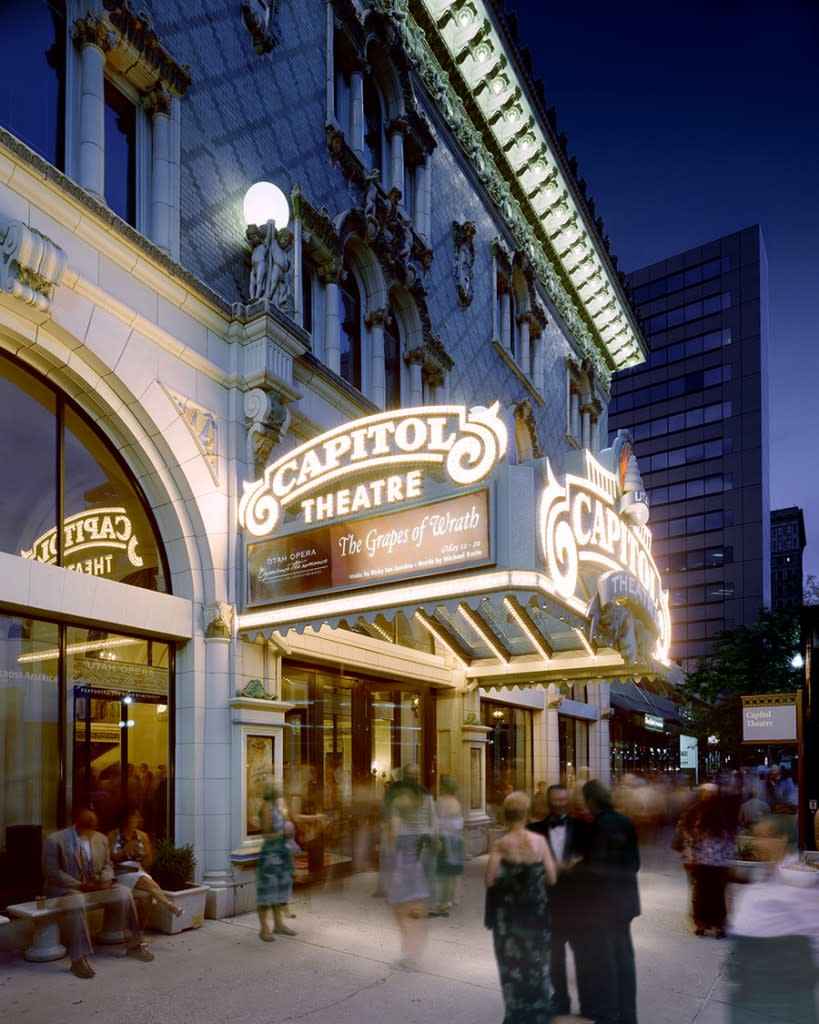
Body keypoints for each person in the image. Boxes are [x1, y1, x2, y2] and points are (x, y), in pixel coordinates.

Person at [43, 808, 155, 979]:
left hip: (94, 886)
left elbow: (108, 865)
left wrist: (106, 880)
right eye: (87, 827)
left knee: (124, 893)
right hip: (67, 888)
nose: (91, 831)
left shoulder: (100, 839)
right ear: (77, 824)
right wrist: (80, 885)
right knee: (76, 901)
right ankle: (78, 960)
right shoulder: (55, 840)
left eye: (93, 827)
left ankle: (134, 946)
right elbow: (53, 872)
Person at [485, 791, 557, 1024]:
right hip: (536, 913)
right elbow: (552, 877)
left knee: (511, 967)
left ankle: (516, 1014)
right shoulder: (539, 842)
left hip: (509, 917)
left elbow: (489, 879)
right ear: (527, 814)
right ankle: (538, 1012)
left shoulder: (500, 844)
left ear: (506, 815)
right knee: (537, 962)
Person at [578, 779, 641, 1024]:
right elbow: (635, 864)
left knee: (606, 961)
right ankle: (628, 1016)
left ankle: (608, 1015)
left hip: (605, 905)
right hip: (625, 901)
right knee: (624, 959)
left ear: (591, 801)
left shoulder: (599, 826)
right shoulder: (626, 822)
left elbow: (597, 868)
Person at [528, 783, 592, 1019]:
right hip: (549, 904)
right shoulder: (534, 831)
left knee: (583, 954)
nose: (560, 805)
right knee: (554, 957)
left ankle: (588, 1002)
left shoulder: (584, 829)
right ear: (548, 802)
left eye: (564, 800)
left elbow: (591, 865)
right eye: (556, 801)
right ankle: (561, 1000)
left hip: (577, 905)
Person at [385, 764, 436, 970]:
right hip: (424, 851)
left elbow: (394, 830)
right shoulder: (427, 798)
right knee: (417, 906)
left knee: (401, 907)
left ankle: (410, 954)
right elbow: (434, 824)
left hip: (406, 854)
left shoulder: (399, 799)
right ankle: (414, 952)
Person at [673, 782, 734, 937]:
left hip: (701, 861)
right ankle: (718, 923)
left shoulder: (694, 811)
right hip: (718, 862)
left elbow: (688, 836)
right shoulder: (723, 812)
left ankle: (701, 922)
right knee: (717, 893)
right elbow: (730, 838)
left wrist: (689, 857)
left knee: (700, 892)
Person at [108, 808, 184, 920]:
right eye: (132, 817)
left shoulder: (142, 836)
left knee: (146, 895)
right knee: (146, 881)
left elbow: (147, 863)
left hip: (138, 871)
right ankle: (169, 905)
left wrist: (146, 854)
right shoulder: (113, 835)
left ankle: (140, 932)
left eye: (136, 817)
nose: (135, 820)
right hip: (120, 872)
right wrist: (125, 851)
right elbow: (110, 857)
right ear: (125, 819)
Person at [256, 784, 296, 942]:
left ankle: (279, 924)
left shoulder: (276, 806)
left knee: (279, 891)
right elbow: (266, 834)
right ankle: (264, 928)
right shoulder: (266, 808)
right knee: (266, 893)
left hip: (280, 855)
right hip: (270, 857)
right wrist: (283, 833)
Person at [429, 775, 464, 917]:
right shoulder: (456, 802)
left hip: (445, 840)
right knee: (451, 872)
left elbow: (437, 824)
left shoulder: (441, 802)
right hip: (456, 840)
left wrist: (434, 840)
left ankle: (442, 904)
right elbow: (458, 824)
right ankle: (450, 899)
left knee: (441, 873)